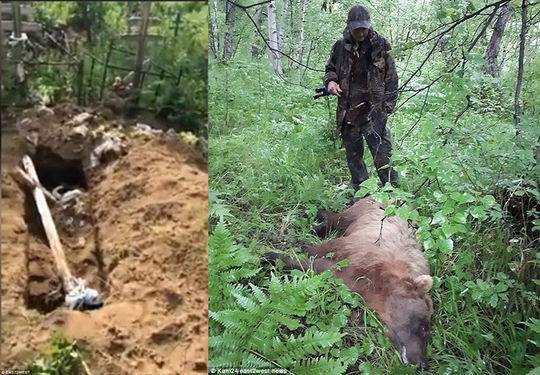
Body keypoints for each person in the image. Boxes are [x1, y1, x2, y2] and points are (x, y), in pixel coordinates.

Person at [324, 5, 399, 190]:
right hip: (348, 112)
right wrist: (331, 82)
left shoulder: (380, 44)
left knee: (383, 156)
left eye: (364, 28)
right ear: (349, 26)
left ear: (369, 26)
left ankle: (395, 197)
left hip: (373, 112)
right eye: (357, 29)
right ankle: (363, 197)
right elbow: (330, 69)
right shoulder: (340, 46)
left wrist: (387, 107)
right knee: (354, 159)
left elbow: (392, 77)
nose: (361, 33)